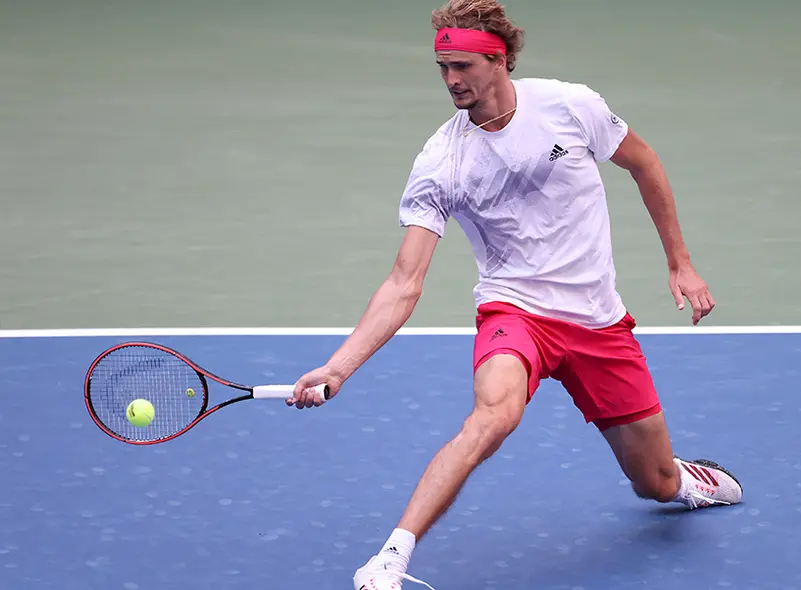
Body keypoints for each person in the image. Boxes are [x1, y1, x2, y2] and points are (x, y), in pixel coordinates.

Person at [288, 1, 743, 587]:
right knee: (493, 415)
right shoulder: (440, 161)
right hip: (515, 311)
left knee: (652, 484)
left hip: (598, 322)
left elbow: (644, 163)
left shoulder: (571, 107)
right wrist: (339, 365)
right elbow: (404, 282)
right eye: (441, 68)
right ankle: (390, 560)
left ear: (498, 62)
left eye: (462, 66)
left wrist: (681, 264)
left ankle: (681, 480)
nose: (451, 80)